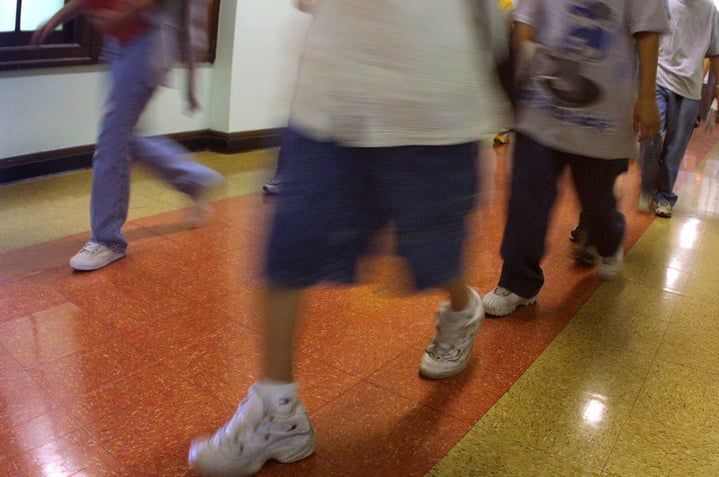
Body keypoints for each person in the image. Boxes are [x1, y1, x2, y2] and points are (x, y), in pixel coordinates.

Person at [187, 1, 509, 475]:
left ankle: (463, 308)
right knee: (288, 249)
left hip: (434, 102)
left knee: (433, 258)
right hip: (333, 97)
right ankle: (278, 410)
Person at [480, 0, 667, 317]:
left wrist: (647, 97)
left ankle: (609, 241)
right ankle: (518, 281)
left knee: (596, 203)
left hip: (603, 113)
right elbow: (526, 21)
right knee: (527, 196)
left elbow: (648, 30)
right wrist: (514, 84)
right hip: (540, 102)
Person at [32, 0, 224, 271]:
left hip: (147, 38)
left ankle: (108, 240)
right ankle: (194, 178)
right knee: (124, 136)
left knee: (112, 138)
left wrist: (126, 12)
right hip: (118, 39)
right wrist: (56, 19)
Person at [638, 0, 719, 219]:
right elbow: (646, 39)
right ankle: (647, 187)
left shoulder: (710, 11)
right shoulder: (664, 3)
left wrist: (718, 85)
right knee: (650, 138)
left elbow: (716, 52)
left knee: (675, 148)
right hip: (659, 80)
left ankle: (664, 196)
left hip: (690, 89)